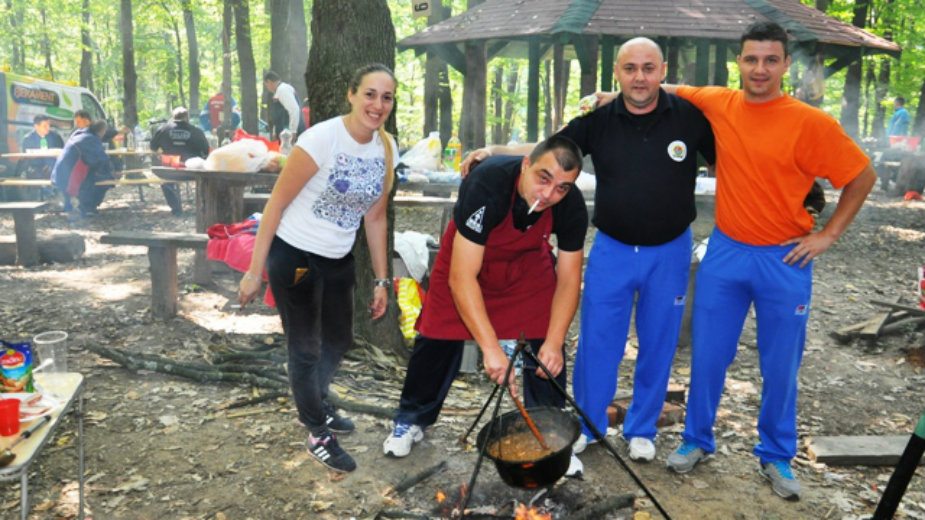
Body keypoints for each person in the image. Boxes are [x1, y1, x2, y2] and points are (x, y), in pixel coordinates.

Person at [618, 22, 876, 500]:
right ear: (739, 62)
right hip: (727, 253)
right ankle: (697, 440)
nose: (760, 69)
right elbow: (662, 84)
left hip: (786, 258)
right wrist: (604, 94)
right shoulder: (721, 103)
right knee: (709, 356)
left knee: (781, 364)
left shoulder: (811, 122)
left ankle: (776, 455)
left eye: (770, 60)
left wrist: (828, 235)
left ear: (784, 64)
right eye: (751, 59)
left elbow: (862, 175)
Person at [461, 38, 715, 464]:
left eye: (648, 68)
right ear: (617, 72)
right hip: (613, 248)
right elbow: (550, 150)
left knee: (658, 341)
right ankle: (591, 424)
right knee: (599, 341)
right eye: (630, 68)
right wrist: (495, 151)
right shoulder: (599, 120)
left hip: (670, 250)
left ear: (662, 70)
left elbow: (732, 162)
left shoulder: (688, 118)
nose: (640, 77)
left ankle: (641, 428)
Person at [383, 136, 589, 476]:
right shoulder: (487, 184)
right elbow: (462, 278)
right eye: (543, 178)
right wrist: (491, 349)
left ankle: (552, 438)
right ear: (526, 165)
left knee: (544, 346)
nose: (549, 194)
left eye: (562, 187)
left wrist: (554, 342)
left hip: (523, 269)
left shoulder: (570, 206)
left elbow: (568, 279)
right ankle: (411, 419)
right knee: (437, 335)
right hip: (467, 264)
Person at [238, 63, 398, 474]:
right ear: (351, 94)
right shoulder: (321, 139)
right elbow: (275, 204)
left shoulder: (386, 148)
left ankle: (315, 401)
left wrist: (382, 281)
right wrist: (255, 271)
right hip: (295, 256)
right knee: (305, 348)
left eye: (386, 97)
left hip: (338, 257)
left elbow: (376, 218)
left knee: (340, 340)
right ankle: (316, 430)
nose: (377, 105)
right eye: (369, 94)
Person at [150, 107, 210, 215]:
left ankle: (176, 209)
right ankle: (202, 207)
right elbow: (206, 151)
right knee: (206, 178)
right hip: (192, 172)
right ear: (187, 117)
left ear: (173, 117)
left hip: (170, 171)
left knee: (165, 181)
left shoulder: (163, 129)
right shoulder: (196, 131)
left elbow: (153, 147)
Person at [51, 120, 115, 219]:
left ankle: (83, 206)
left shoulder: (79, 134)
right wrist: (113, 172)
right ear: (102, 131)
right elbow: (101, 160)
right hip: (69, 176)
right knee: (105, 180)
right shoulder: (91, 139)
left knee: (95, 174)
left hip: (58, 173)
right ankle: (88, 207)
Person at [18, 115, 64, 181]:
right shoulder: (28, 139)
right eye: (45, 126)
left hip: (52, 168)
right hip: (35, 169)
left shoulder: (56, 137)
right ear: (36, 126)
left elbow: (62, 153)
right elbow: (26, 157)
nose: (48, 128)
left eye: (49, 125)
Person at [263, 71, 306, 141]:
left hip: (289, 134)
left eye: (266, 85)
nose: (267, 88)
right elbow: (277, 115)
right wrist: (275, 132)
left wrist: (293, 131)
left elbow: (294, 110)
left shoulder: (283, 90)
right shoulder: (279, 91)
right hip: (283, 134)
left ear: (269, 82)